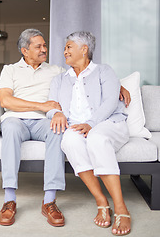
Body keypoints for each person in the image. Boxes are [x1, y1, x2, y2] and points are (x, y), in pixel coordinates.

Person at [47, 31, 131, 236]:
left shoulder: (104, 71)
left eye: (69, 47)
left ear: (84, 49)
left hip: (109, 123)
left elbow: (111, 101)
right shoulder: (59, 79)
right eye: (65, 47)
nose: (64, 51)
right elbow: (51, 105)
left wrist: (91, 124)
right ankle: (101, 201)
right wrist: (56, 112)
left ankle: (120, 207)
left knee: (96, 138)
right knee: (68, 141)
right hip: (77, 127)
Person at [0, 29, 66, 227]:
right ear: (24, 50)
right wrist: (41, 105)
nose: (44, 49)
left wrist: (117, 86)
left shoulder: (56, 70)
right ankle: (9, 199)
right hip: (16, 119)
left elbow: (81, 80)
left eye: (45, 45)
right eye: (39, 46)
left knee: (57, 129)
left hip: (43, 122)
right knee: (9, 127)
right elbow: (6, 100)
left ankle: (49, 201)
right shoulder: (10, 70)